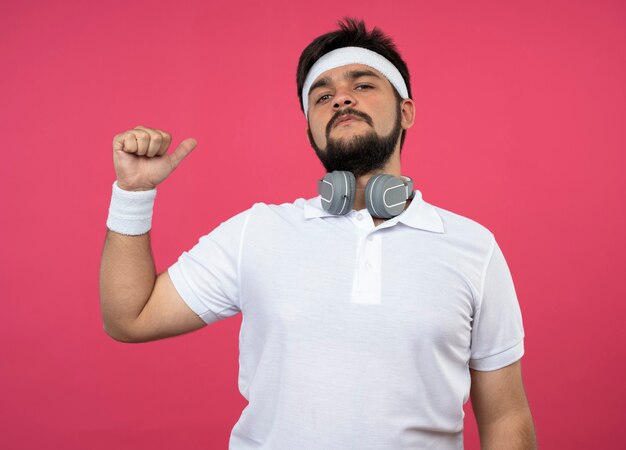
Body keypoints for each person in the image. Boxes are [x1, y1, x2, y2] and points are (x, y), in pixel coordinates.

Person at [100, 18, 537, 449]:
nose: (341, 99)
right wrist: (133, 194)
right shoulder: (258, 231)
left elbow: (505, 414)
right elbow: (130, 317)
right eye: (322, 95)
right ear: (309, 128)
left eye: (362, 85)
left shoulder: (473, 248)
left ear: (406, 111)